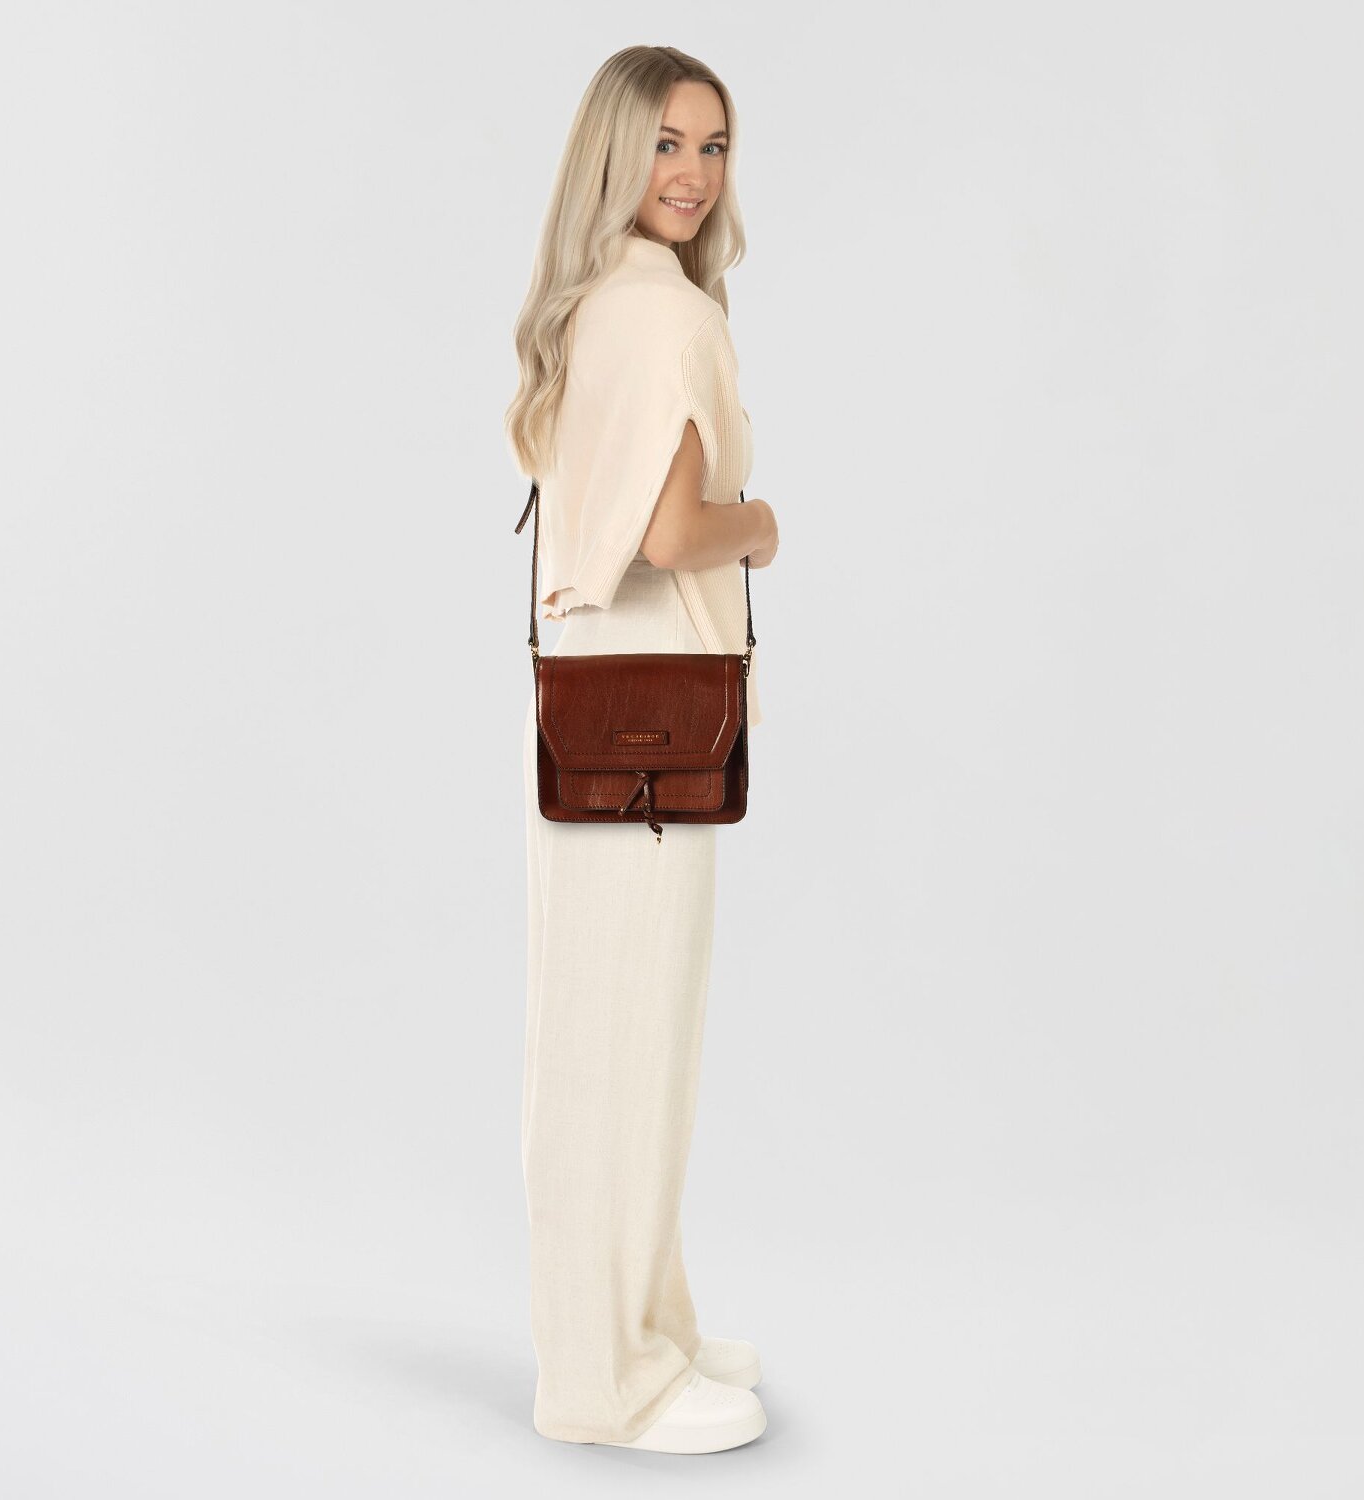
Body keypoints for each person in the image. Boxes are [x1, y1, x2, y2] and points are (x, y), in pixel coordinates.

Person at [505, 46, 780, 1455]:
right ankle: (607, 1384)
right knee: (629, 1048)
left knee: (603, 1039)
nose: (693, 173)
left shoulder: (597, 303)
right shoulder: (667, 314)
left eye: (714, 147)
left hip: (591, 706)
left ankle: (642, 1326)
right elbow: (675, 534)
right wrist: (764, 524)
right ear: (617, 152)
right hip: (656, 727)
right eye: (668, 143)